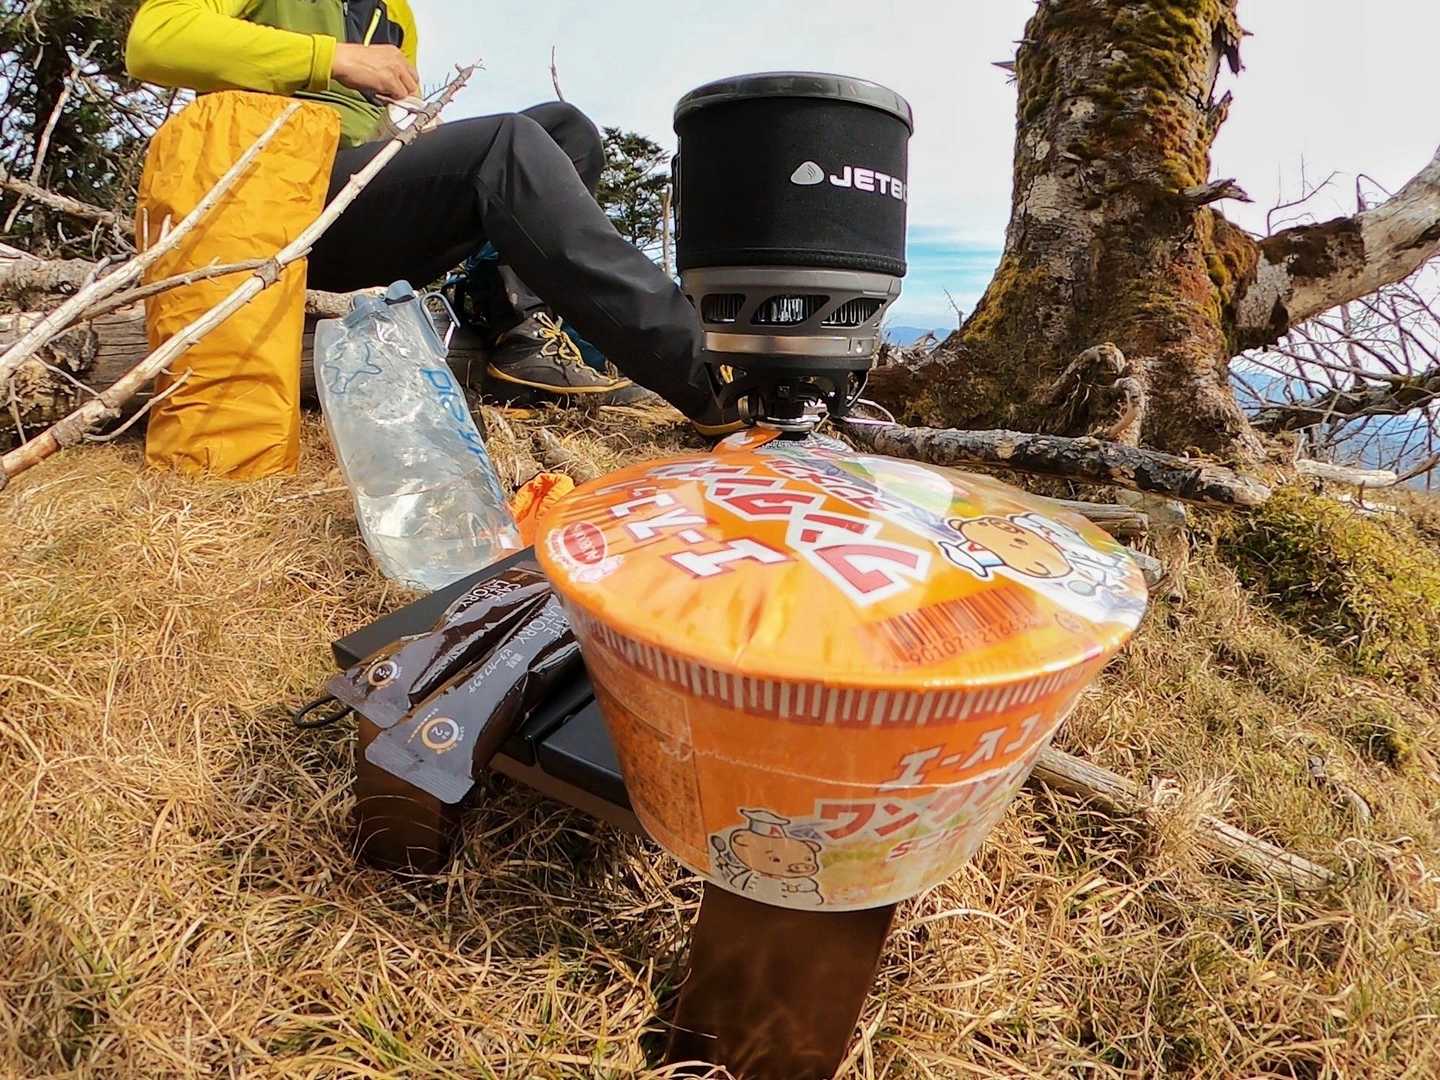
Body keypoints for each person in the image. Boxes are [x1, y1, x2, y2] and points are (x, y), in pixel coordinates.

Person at [124, 0, 737, 429]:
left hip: (355, 206)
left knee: (564, 129)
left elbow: (377, 128)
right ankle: (712, 382)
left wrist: (416, 138)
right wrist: (329, 57)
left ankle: (508, 330)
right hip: (271, 207)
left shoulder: (394, 15)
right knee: (505, 144)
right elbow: (156, 40)